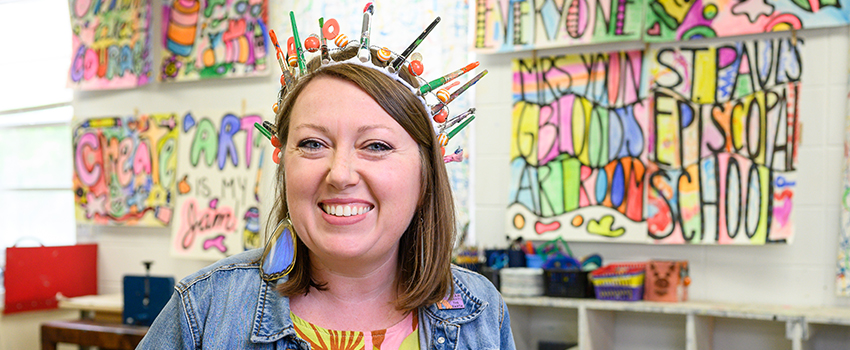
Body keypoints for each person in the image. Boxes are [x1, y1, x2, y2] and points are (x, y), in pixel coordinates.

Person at [137, 7, 514, 350]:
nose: (340, 174)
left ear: (425, 176)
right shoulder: (204, 310)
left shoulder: (479, 313)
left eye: (377, 146)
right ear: (284, 162)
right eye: (313, 143)